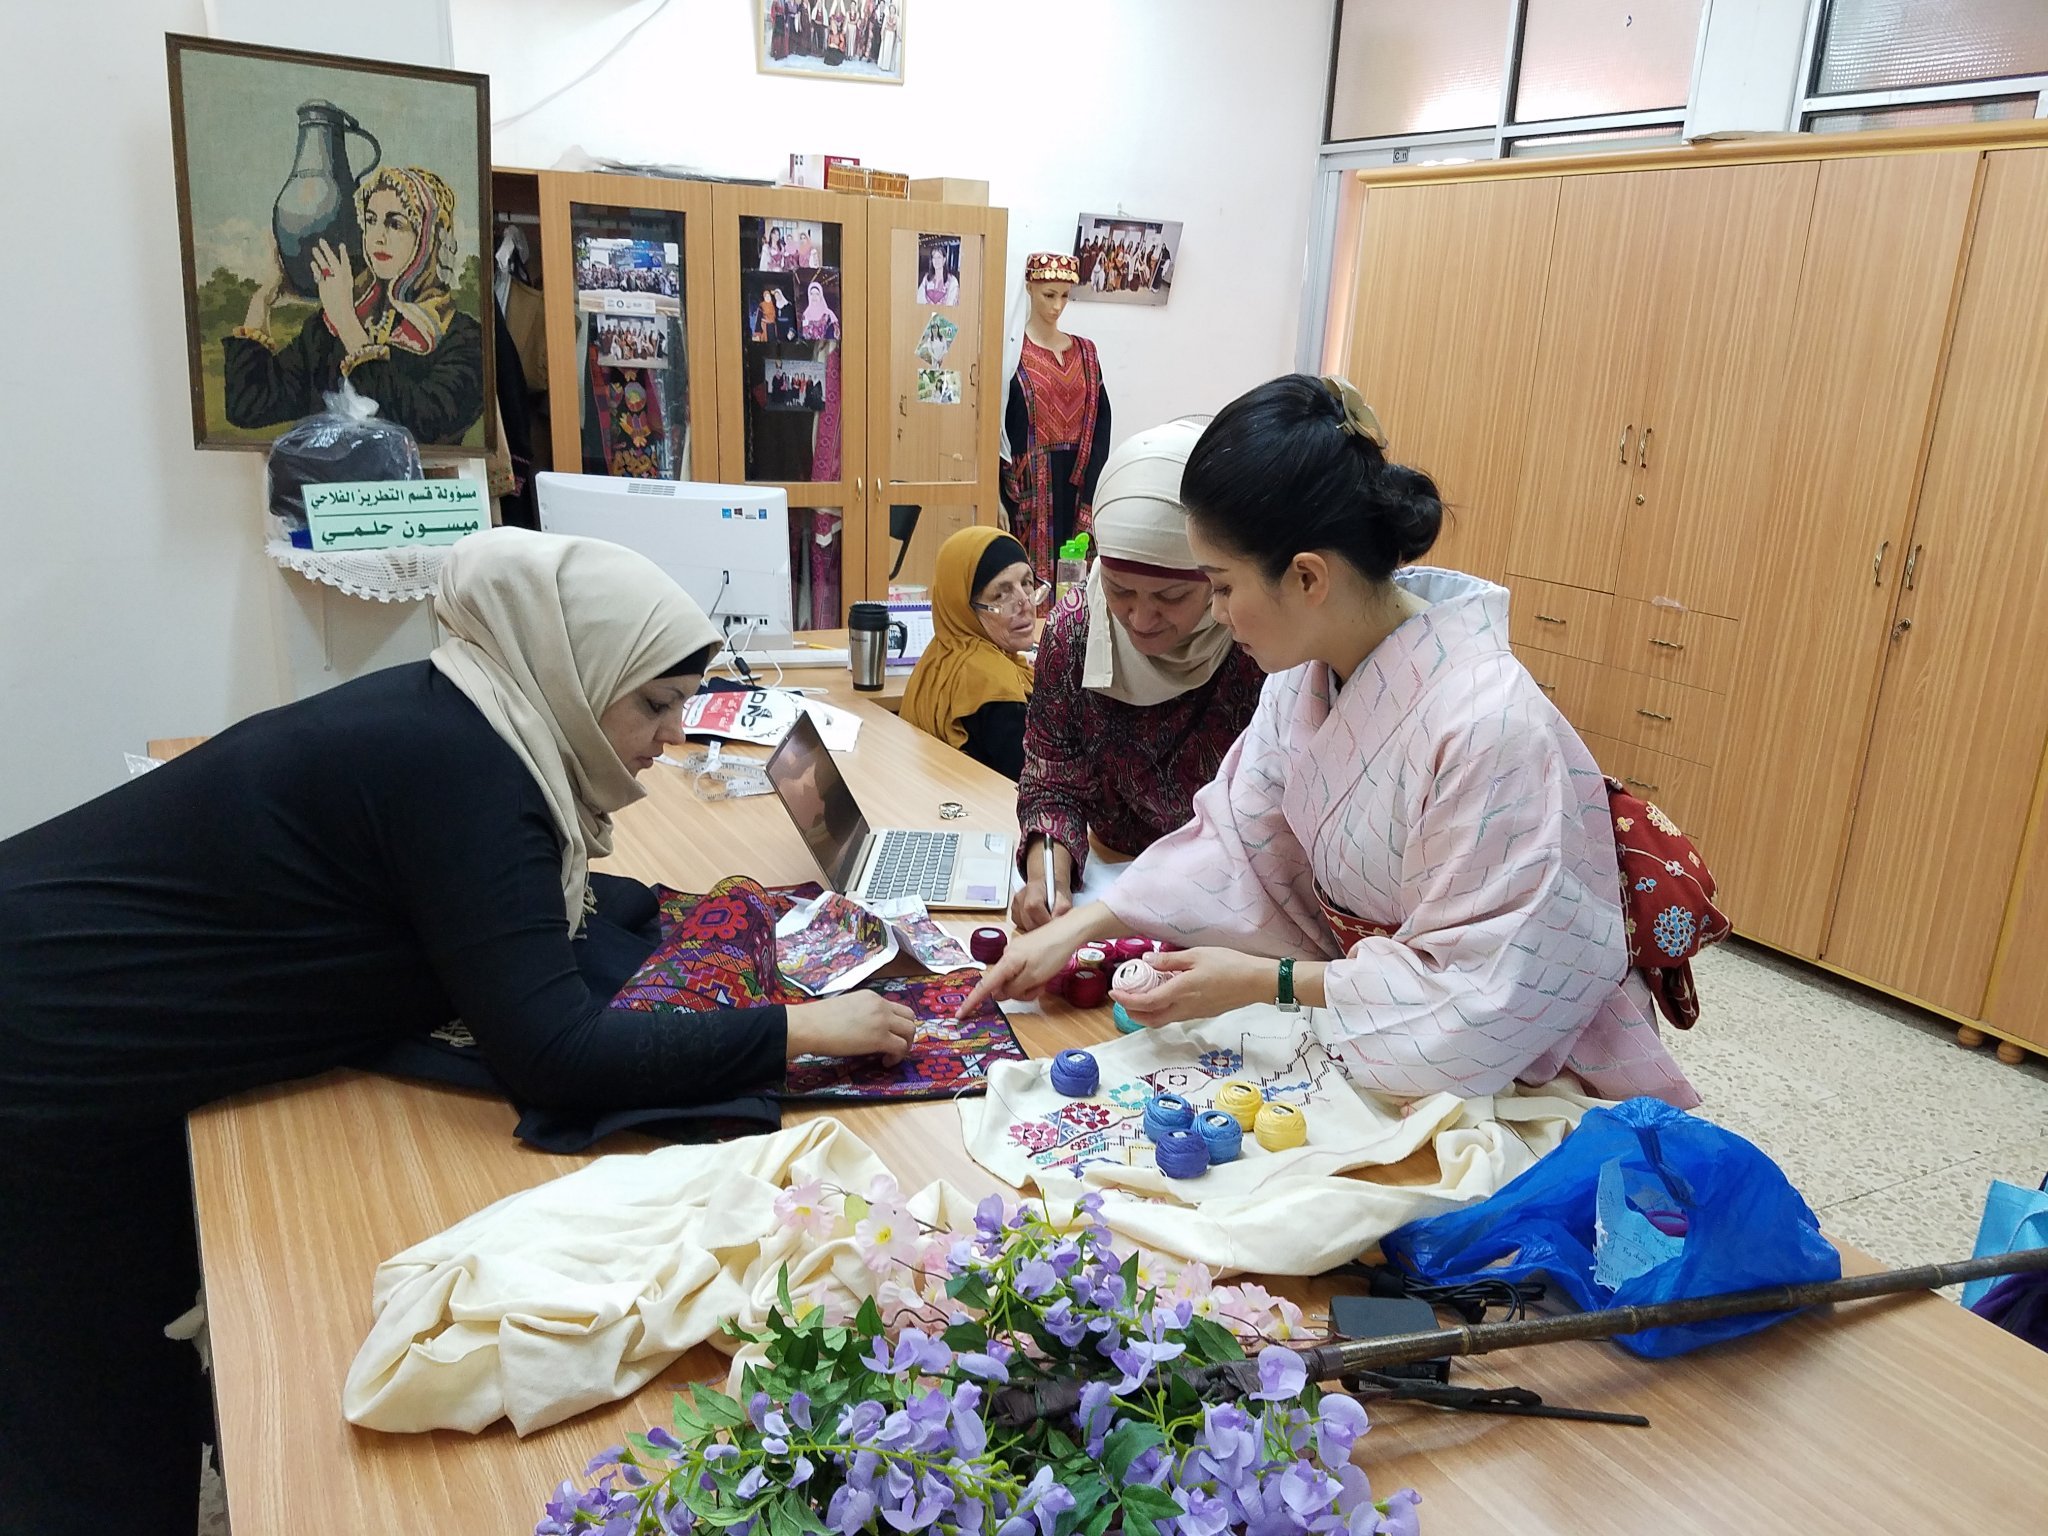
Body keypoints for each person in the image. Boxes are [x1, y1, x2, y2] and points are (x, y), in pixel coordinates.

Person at [0, 528, 916, 1529]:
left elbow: (521, 909)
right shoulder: (470, 771)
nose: (669, 738)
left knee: (126, 1374)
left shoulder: (462, 719)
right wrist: (799, 1028)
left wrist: (705, 918)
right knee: (94, 1415)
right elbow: (554, 1055)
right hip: (46, 1051)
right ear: (571, 672)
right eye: (652, 704)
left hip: (71, 1016)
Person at [965, 374, 1699, 1110]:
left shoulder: (1487, 725)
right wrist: (1083, 925)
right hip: (1375, 1008)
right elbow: (1238, 843)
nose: (1216, 613)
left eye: (1218, 586)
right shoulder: (1305, 676)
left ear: (1308, 576)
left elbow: (1480, 993)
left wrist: (1267, 981)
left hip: (1523, 1057)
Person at [1011, 417, 1265, 930]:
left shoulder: (1256, 644)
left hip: (1229, 904)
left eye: (1172, 597)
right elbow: (1052, 782)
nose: (1142, 621)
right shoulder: (1077, 633)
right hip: (1109, 879)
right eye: (1121, 590)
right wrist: (1048, 881)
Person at [226, 165, 485, 444]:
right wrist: (261, 299)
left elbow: (425, 424)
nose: (377, 237)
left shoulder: (461, 336)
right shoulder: (328, 328)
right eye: (370, 220)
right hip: (323, 485)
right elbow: (248, 407)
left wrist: (348, 324)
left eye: (395, 223)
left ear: (428, 239)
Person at [1000, 252, 1110, 575]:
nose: (1057, 306)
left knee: (1075, 579)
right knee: (1027, 581)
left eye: (1065, 296)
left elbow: (1102, 423)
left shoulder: (1086, 352)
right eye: (1049, 295)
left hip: (1077, 481)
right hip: (1028, 492)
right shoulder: (1011, 353)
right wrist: (994, 494)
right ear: (1030, 288)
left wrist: (1092, 490)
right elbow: (994, 428)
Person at [901, 526, 1040, 780]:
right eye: (1002, 594)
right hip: (991, 813)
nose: (1025, 604)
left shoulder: (941, 654)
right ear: (966, 607)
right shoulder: (991, 681)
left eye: (1027, 583)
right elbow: (1035, 781)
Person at [920, 240, 959, 306]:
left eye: (939, 257)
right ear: (931, 260)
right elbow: (920, 298)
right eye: (934, 257)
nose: (936, 261)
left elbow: (951, 303)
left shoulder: (953, 280)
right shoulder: (926, 278)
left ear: (944, 260)